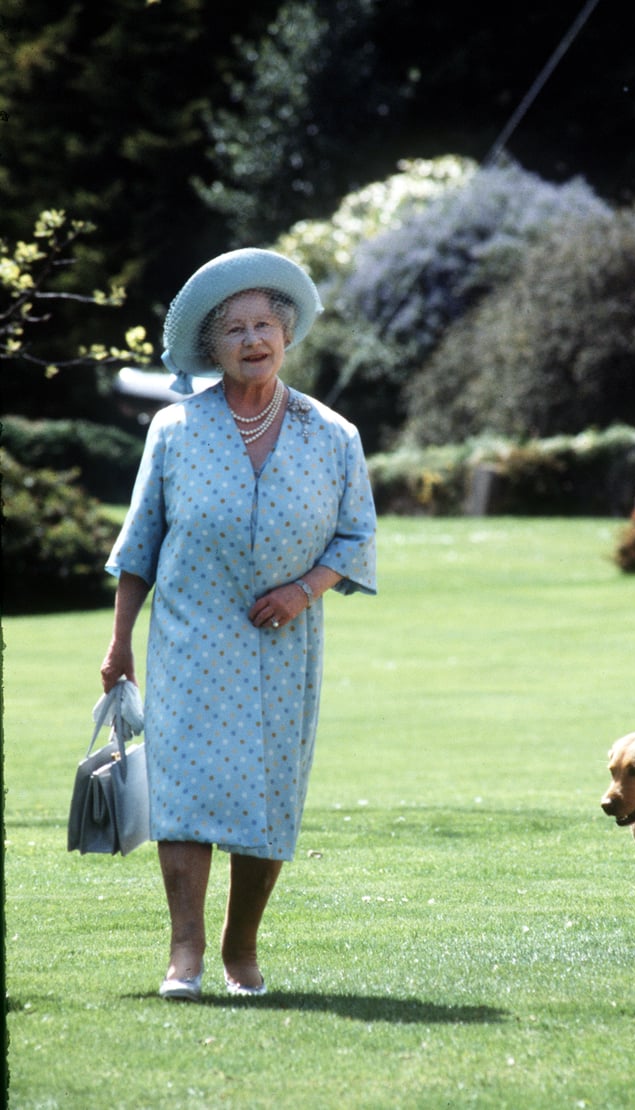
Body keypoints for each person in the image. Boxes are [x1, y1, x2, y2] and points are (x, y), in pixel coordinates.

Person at [100, 248, 377, 1001]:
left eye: (265, 325)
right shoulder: (176, 428)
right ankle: (183, 954)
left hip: (284, 645)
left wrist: (305, 588)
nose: (254, 340)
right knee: (183, 790)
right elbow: (140, 544)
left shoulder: (333, 435)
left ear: (286, 335)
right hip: (189, 638)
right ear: (212, 348)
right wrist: (120, 641)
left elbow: (356, 539)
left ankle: (240, 949)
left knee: (270, 795)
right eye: (236, 330)